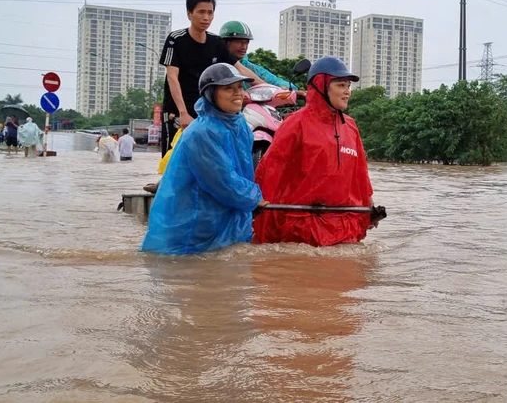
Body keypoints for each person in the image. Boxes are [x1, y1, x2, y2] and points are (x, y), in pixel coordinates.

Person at [141, 63, 268, 255]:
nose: (237, 93)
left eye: (240, 87)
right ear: (210, 94)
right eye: (228, 88)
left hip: (222, 216)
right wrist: (254, 198)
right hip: (193, 225)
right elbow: (221, 180)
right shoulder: (202, 132)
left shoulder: (239, 124)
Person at [252, 56, 377, 247]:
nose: (347, 92)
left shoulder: (350, 127)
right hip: (302, 230)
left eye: (348, 86)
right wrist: (258, 208)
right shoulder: (296, 123)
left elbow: (360, 174)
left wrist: (370, 210)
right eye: (341, 85)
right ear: (321, 85)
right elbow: (270, 170)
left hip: (345, 227)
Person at [157, 0, 265, 156]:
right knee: (174, 157)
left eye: (210, 13)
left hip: (208, 110)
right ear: (189, 13)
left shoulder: (216, 43)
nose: (206, 17)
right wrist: (183, 113)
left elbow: (240, 68)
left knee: (210, 157)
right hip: (179, 111)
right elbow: (172, 77)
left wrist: (266, 87)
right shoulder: (176, 39)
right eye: (201, 12)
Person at [219, 20, 304, 95]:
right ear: (225, 42)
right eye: (239, 42)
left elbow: (273, 80)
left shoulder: (250, 68)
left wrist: (286, 88)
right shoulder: (215, 65)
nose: (244, 47)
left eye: (246, 42)